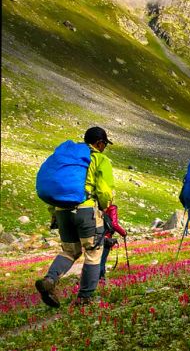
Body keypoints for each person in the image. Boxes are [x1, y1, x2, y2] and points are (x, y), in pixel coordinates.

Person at [35, 126, 115, 307]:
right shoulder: (99, 159)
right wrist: (104, 208)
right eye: (105, 144)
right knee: (93, 252)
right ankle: (85, 298)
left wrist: (54, 213)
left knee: (70, 251)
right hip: (85, 210)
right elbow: (104, 191)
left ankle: (50, 280)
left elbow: (55, 189)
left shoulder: (68, 160)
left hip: (61, 211)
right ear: (100, 143)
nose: (104, 148)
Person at [99, 204, 127, 282]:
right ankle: (100, 279)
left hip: (93, 236)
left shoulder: (93, 204)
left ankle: (89, 280)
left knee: (93, 258)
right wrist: (123, 233)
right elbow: (114, 224)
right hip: (106, 238)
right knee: (102, 260)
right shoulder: (112, 208)